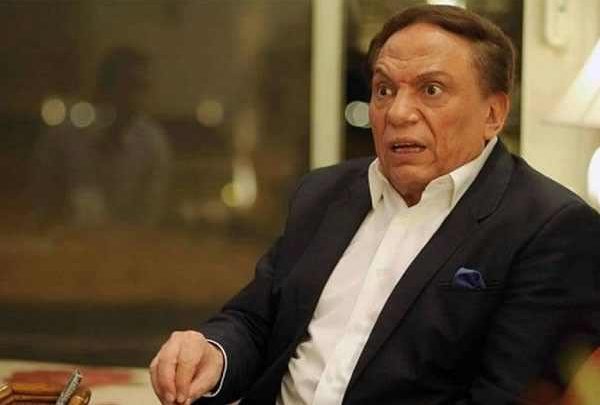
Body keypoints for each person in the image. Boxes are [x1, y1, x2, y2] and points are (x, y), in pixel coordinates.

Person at [150, 5, 600, 404]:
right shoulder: (324, 193)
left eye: (431, 90)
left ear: (493, 114)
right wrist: (213, 353)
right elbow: (254, 321)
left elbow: (504, 397)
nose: (397, 113)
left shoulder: (552, 229)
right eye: (384, 90)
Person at [31, 46, 171, 227]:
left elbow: (148, 216)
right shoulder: (62, 138)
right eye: (129, 87)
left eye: (143, 88)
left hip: (126, 242)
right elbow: (42, 207)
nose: (136, 99)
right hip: (64, 239)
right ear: (103, 90)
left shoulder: (152, 144)